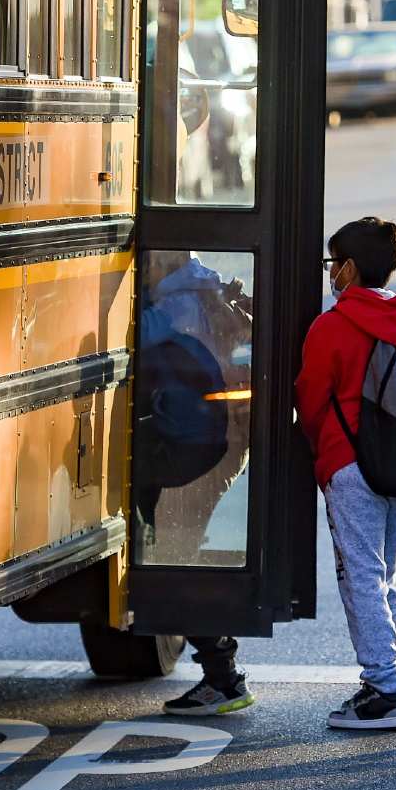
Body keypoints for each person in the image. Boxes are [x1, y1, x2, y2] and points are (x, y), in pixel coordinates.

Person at [295, 217, 396, 730]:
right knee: (385, 576)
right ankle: (387, 679)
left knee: (360, 578)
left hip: (351, 467)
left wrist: (322, 457)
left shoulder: (333, 325)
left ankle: (386, 690)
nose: (330, 274)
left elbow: (309, 398)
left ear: (348, 268)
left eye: (332, 264)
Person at [135, 253, 257, 716]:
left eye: (146, 264)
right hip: (216, 438)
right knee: (177, 549)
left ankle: (223, 678)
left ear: (166, 261)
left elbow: (137, 335)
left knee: (178, 555)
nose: (143, 271)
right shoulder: (203, 289)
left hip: (201, 443)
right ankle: (221, 672)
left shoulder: (180, 302)